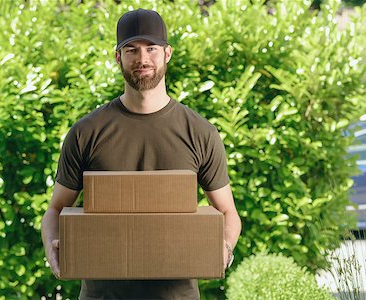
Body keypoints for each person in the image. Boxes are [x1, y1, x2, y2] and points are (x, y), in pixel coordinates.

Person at [41, 8, 241, 300]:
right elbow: (55, 209)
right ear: (117, 56)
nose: (142, 59)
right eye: (131, 49)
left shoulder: (200, 133)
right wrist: (52, 249)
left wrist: (224, 249)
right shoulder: (86, 132)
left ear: (167, 53)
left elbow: (228, 212)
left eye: (151, 48)